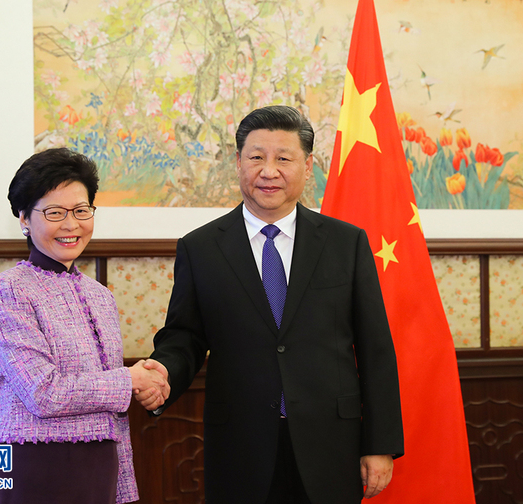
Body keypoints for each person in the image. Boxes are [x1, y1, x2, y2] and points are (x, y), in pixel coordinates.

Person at [137, 106, 404, 504]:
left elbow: (375, 348)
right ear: (238, 162)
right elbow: (186, 336)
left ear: (308, 164)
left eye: (283, 158)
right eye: (256, 157)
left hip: (330, 441)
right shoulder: (201, 247)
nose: (268, 170)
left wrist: (379, 443)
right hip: (240, 444)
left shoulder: (346, 243)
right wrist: (163, 375)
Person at [0, 147, 169, 504]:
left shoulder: (100, 295)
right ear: (24, 219)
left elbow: (113, 407)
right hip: (33, 467)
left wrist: (124, 489)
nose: (71, 225)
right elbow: (43, 393)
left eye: (82, 211)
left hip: (99, 468)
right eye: (54, 212)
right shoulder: (6, 291)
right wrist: (129, 379)